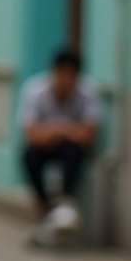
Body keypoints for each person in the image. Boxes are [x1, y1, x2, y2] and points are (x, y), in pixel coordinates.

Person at [18, 46, 100, 245]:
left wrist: (58, 130)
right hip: (44, 147)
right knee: (30, 156)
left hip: (70, 148)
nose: (65, 80)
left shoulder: (88, 92)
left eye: (70, 75)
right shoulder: (35, 89)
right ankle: (45, 206)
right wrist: (65, 130)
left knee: (73, 151)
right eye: (61, 73)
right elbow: (31, 133)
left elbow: (88, 134)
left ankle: (64, 201)